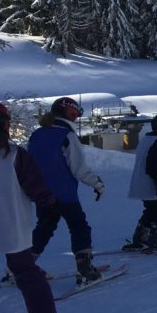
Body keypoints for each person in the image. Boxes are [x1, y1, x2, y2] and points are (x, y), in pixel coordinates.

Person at [0, 102, 65, 313]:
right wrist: (51, 204)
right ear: (6, 126)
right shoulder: (15, 155)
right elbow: (36, 187)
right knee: (27, 273)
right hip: (11, 225)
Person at [27, 97, 106, 285]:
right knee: (79, 227)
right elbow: (78, 169)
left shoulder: (36, 135)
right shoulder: (67, 136)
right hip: (65, 194)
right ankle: (85, 270)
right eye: (74, 115)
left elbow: (28, 165)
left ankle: (21, 266)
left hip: (42, 194)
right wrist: (97, 184)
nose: (76, 119)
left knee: (44, 228)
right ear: (66, 114)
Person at [124, 114, 157, 252]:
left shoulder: (146, 139)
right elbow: (151, 164)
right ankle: (154, 239)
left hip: (143, 183)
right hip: (151, 184)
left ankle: (140, 238)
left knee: (151, 211)